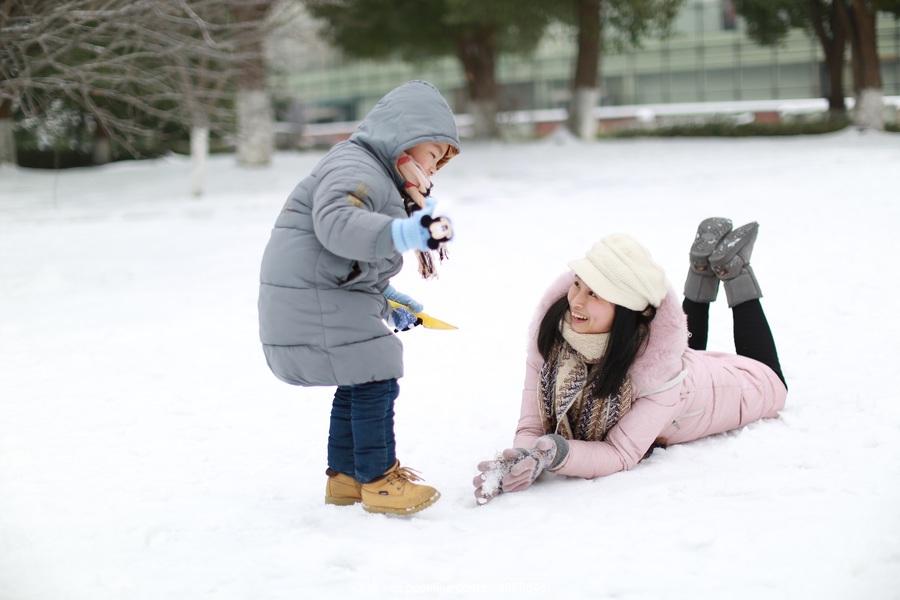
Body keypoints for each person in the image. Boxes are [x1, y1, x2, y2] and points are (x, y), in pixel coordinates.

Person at [473, 219, 787, 503]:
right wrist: (525, 457)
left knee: (771, 377)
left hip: (743, 388)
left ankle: (734, 271)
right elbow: (532, 425)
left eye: (595, 294)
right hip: (686, 381)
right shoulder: (553, 337)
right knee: (683, 349)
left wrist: (558, 453)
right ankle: (705, 270)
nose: (576, 301)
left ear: (625, 310)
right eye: (578, 283)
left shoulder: (658, 377)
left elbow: (620, 452)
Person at [258, 81, 461, 515]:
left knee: (359, 374)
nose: (434, 169)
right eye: (433, 154)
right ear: (406, 137)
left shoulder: (375, 172)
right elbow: (336, 224)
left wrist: (388, 299)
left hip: (317, 292)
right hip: (310, 296)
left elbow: (347, 262)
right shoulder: (358, 166)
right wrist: (405, 233)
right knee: (374, 369)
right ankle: (379, 480)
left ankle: (346, 479)